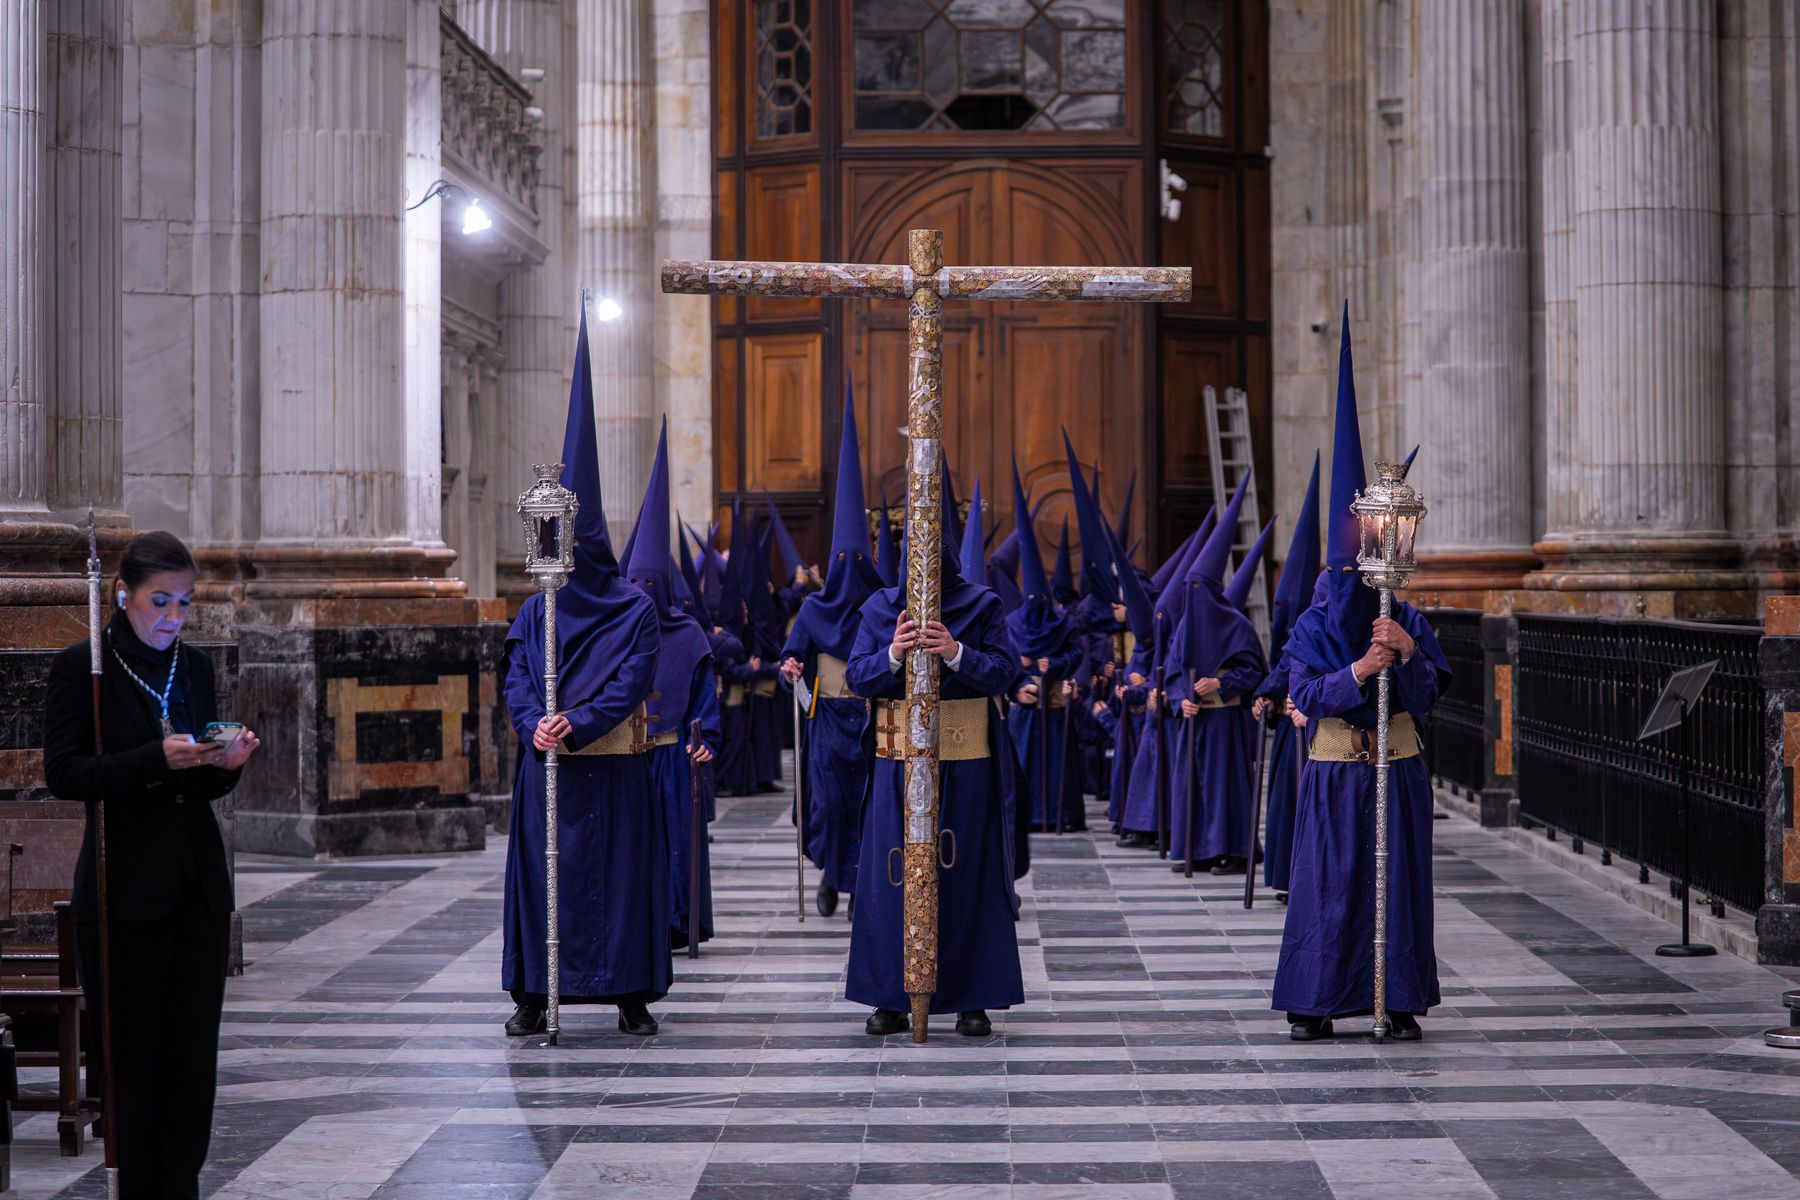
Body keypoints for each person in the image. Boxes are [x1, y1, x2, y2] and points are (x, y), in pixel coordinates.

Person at [42, 530, 260, 1198]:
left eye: (184, 603)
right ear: (123, 595)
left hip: (195, 890)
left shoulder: (191, 668)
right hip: (122, 892)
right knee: (133, 1064)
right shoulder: (86, 667)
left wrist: (224, 768)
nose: (172, 617)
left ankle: (181, 1189)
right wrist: (150, 761)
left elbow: (193, 784)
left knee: (191, 1064)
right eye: (159, 601)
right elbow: (65, 772)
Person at [1271, 311, 1451, 1041]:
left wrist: (1404, 655)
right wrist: (1360, 667)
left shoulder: (1404, 616)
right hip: (1336, 771)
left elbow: (1435, 690)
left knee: (1397, 886)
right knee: (1333, 887)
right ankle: (1315, 999)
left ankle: (1398, 995)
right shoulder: (1316, 622)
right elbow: (1305, 693)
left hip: (1397, 769)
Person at [502, 310, 666, 1037]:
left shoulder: (634, 609)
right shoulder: (535, 609)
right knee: (546, 880)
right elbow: (515, 676)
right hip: (549, 765)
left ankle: (630, 993)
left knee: (622, 883)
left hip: (612, 766)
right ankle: (534, 995)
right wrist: (531, 721)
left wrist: (582, 719)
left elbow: (631, 679)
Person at [844, 526, 1024, 1038]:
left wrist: (957, 651)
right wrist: (894, 654)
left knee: (966, 872)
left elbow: (1003, 672)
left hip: (964, 764)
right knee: (891, 875)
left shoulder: (981, 605)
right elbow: (858, 676)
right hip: (896, 764)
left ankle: (974, 998)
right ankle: (891, 997)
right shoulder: (879, 609)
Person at [779, 387, 880, 917]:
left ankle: (861, 880)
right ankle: (828, 876)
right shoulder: (815, 610)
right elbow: (789, 657)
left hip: (871, 718)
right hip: (825, 721)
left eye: (855, 559)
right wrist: (790, 667)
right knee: (829, 805)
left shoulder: (885, 607)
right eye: (841, 560)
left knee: (868, 803)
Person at [626, 420, 721, 950]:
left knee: (678, 847)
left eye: (651, 584)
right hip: (627, 758)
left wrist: (704, 742)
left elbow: (704, 698)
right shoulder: (616, 633)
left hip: (672, 756)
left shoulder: (688, 636)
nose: (643, 593)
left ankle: (681, 920)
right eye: (634, 584)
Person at [1166, 479, 1268, 875]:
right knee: (1193, 785)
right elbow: (1174, 671)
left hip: (1226, 720)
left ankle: (1233, 850)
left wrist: (1220, 684)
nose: (1193, 595)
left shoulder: (1236, 626)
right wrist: (1182, 698)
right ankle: (1198, 849)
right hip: (1196, 719)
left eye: (1198, 588)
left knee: (1225, 787)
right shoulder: (1184, 627)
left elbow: (1254, 671)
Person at [1251, 454, 1322, 901]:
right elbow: (1285, 662)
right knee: (1284, 803)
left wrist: (1300, 699)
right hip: (1291, 727)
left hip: (1318, 730)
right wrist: (1270, 697)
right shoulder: (1298, 623)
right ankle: (1285, 875)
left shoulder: (1326, 621)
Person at [1004, 467, 1085, 834]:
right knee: (1024, 760)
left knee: (1056, 764)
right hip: (1025, 706)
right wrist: (1019, 667)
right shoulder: (1013, 621)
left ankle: (1060, 813)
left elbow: (1076, 655)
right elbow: (1001, 656)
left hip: (1053, 704)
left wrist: (1054, 664)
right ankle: (1028, 814)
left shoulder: (1061, 622)